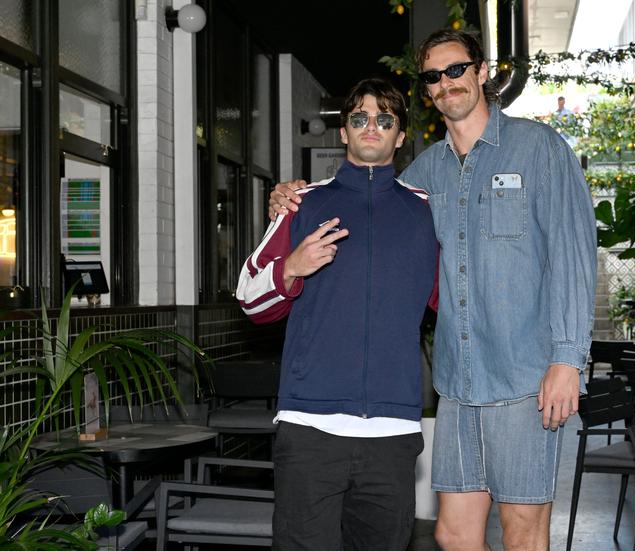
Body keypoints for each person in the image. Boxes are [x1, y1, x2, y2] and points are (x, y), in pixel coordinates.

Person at [268, 29, 596, 551]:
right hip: (458, 387)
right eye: (433, 77)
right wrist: (289, 197)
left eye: (456, 69)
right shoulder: (422, 178)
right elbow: (372, 207)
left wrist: (568, 360)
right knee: (452, 534)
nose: (446, 83)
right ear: (426, 91)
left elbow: (574, 258)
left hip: (524, 380)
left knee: (523, 533)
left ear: (482, 72)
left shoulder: (540, 149)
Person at [236, 77, 438, 551]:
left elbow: (456, 301)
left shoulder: (425, 213)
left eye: (385, 119)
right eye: (360, 118)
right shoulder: (303, 204)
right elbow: (249, 297)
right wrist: (292, 268)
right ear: (344, 132)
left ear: (401, 136)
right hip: (310, 427)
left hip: (394, 429)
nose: (372, 127)